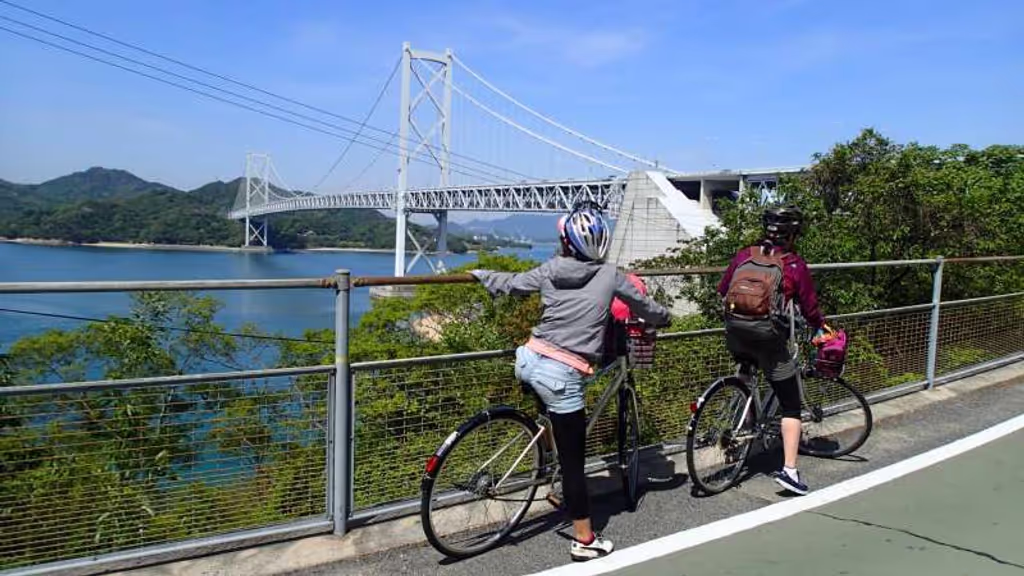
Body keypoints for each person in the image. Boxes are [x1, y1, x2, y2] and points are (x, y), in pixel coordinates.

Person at [470, 206, 670, 562]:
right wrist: (664, 317)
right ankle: (584, 540)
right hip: (561, 375)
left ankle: (547, 461)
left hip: (528, 358)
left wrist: (480, 274)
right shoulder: (609, 275)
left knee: (554, 422)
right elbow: (644, 305)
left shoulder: (550, 268)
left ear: (566, 241)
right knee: (576, 465)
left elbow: (512, 284)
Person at [717, 205, 831, 496]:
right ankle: (790, 472)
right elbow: (810, 308)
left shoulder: (745, 255)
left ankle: (743, 424)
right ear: (792, 235)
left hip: (735, 330)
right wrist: (821, 327)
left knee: (747, 371)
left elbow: (723, 289)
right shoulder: (793, 264)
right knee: (790, 404)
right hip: (767, 336)